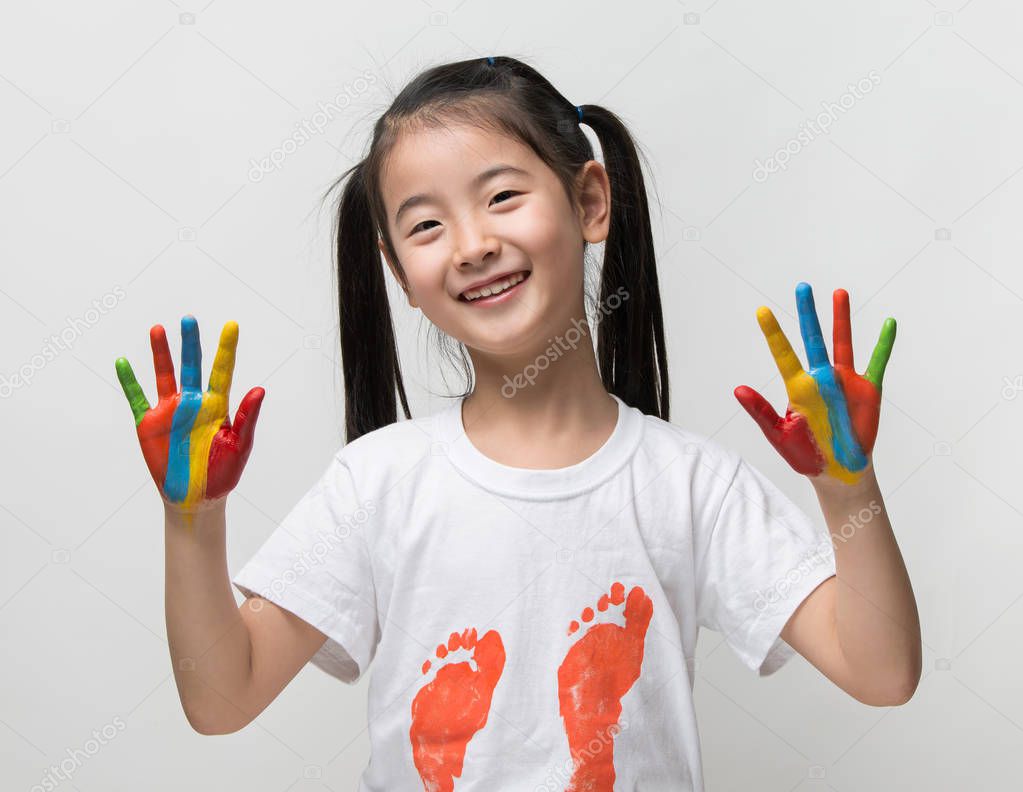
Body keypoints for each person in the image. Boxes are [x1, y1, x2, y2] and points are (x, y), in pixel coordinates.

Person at [114, 54, 921, 792]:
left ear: (590, 202)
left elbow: (880, 673)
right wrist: (193, 521)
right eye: (425, 225)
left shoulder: (688, 483)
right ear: (400, 273)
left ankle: (578, 736)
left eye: (501, 196)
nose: (470, 245)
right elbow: (223, 699)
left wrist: (846, 488)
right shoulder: (379, 482)